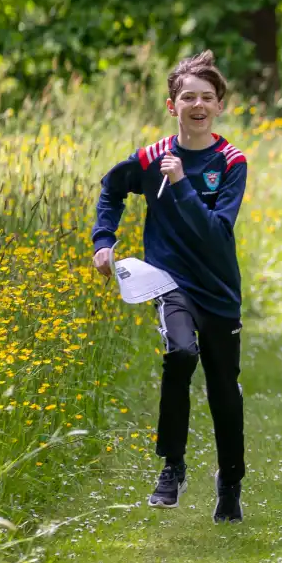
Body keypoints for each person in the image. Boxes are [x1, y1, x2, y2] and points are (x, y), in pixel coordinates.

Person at [90, 50, 248, 523]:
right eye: (187, 97)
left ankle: (231, 481)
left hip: (218, 288)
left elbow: (216, 232)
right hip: (168, 281)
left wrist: (179, 184)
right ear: (171, 105)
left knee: (224, 388)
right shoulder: (151, 157)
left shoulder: (231, 161)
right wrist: (104, 240)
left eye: (206, 97)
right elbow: (111, 188)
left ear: (219, 105)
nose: (197, 105)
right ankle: (172, 466)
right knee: (180, 355)